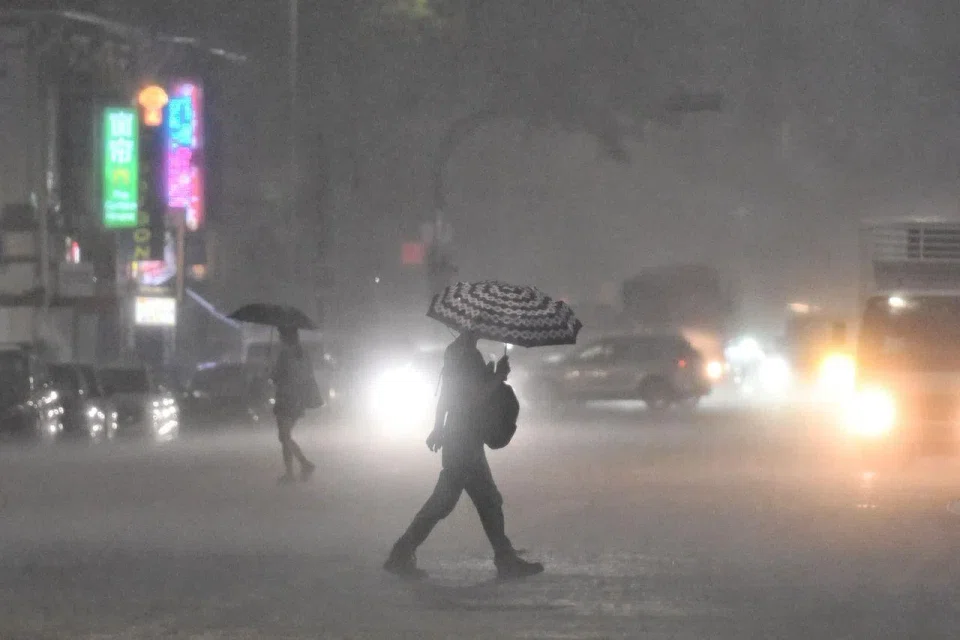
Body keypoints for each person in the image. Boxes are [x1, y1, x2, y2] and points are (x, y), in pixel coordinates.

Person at [383, 329, 544, 580]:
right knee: (451, 502)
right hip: (464, 439)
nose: (485, 327)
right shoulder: (466, 356)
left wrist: (439, 427)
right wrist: (497, 377)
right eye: (480, 322)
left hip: (461, 436)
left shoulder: (457, 352)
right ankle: (402, 552)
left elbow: (448, 395)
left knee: (483, 500)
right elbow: (470, 398)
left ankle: (504, 557)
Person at [272, 326, 317, 484]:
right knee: (286, 436)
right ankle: (290, 473)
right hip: (298, 399)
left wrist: (270, 371)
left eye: (279, 335)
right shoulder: (303, 354)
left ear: (284, 337)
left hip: (285, 398)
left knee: (284, 436)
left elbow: (277, 377)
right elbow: (306, 375)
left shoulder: (285, 354)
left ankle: (304, 464)